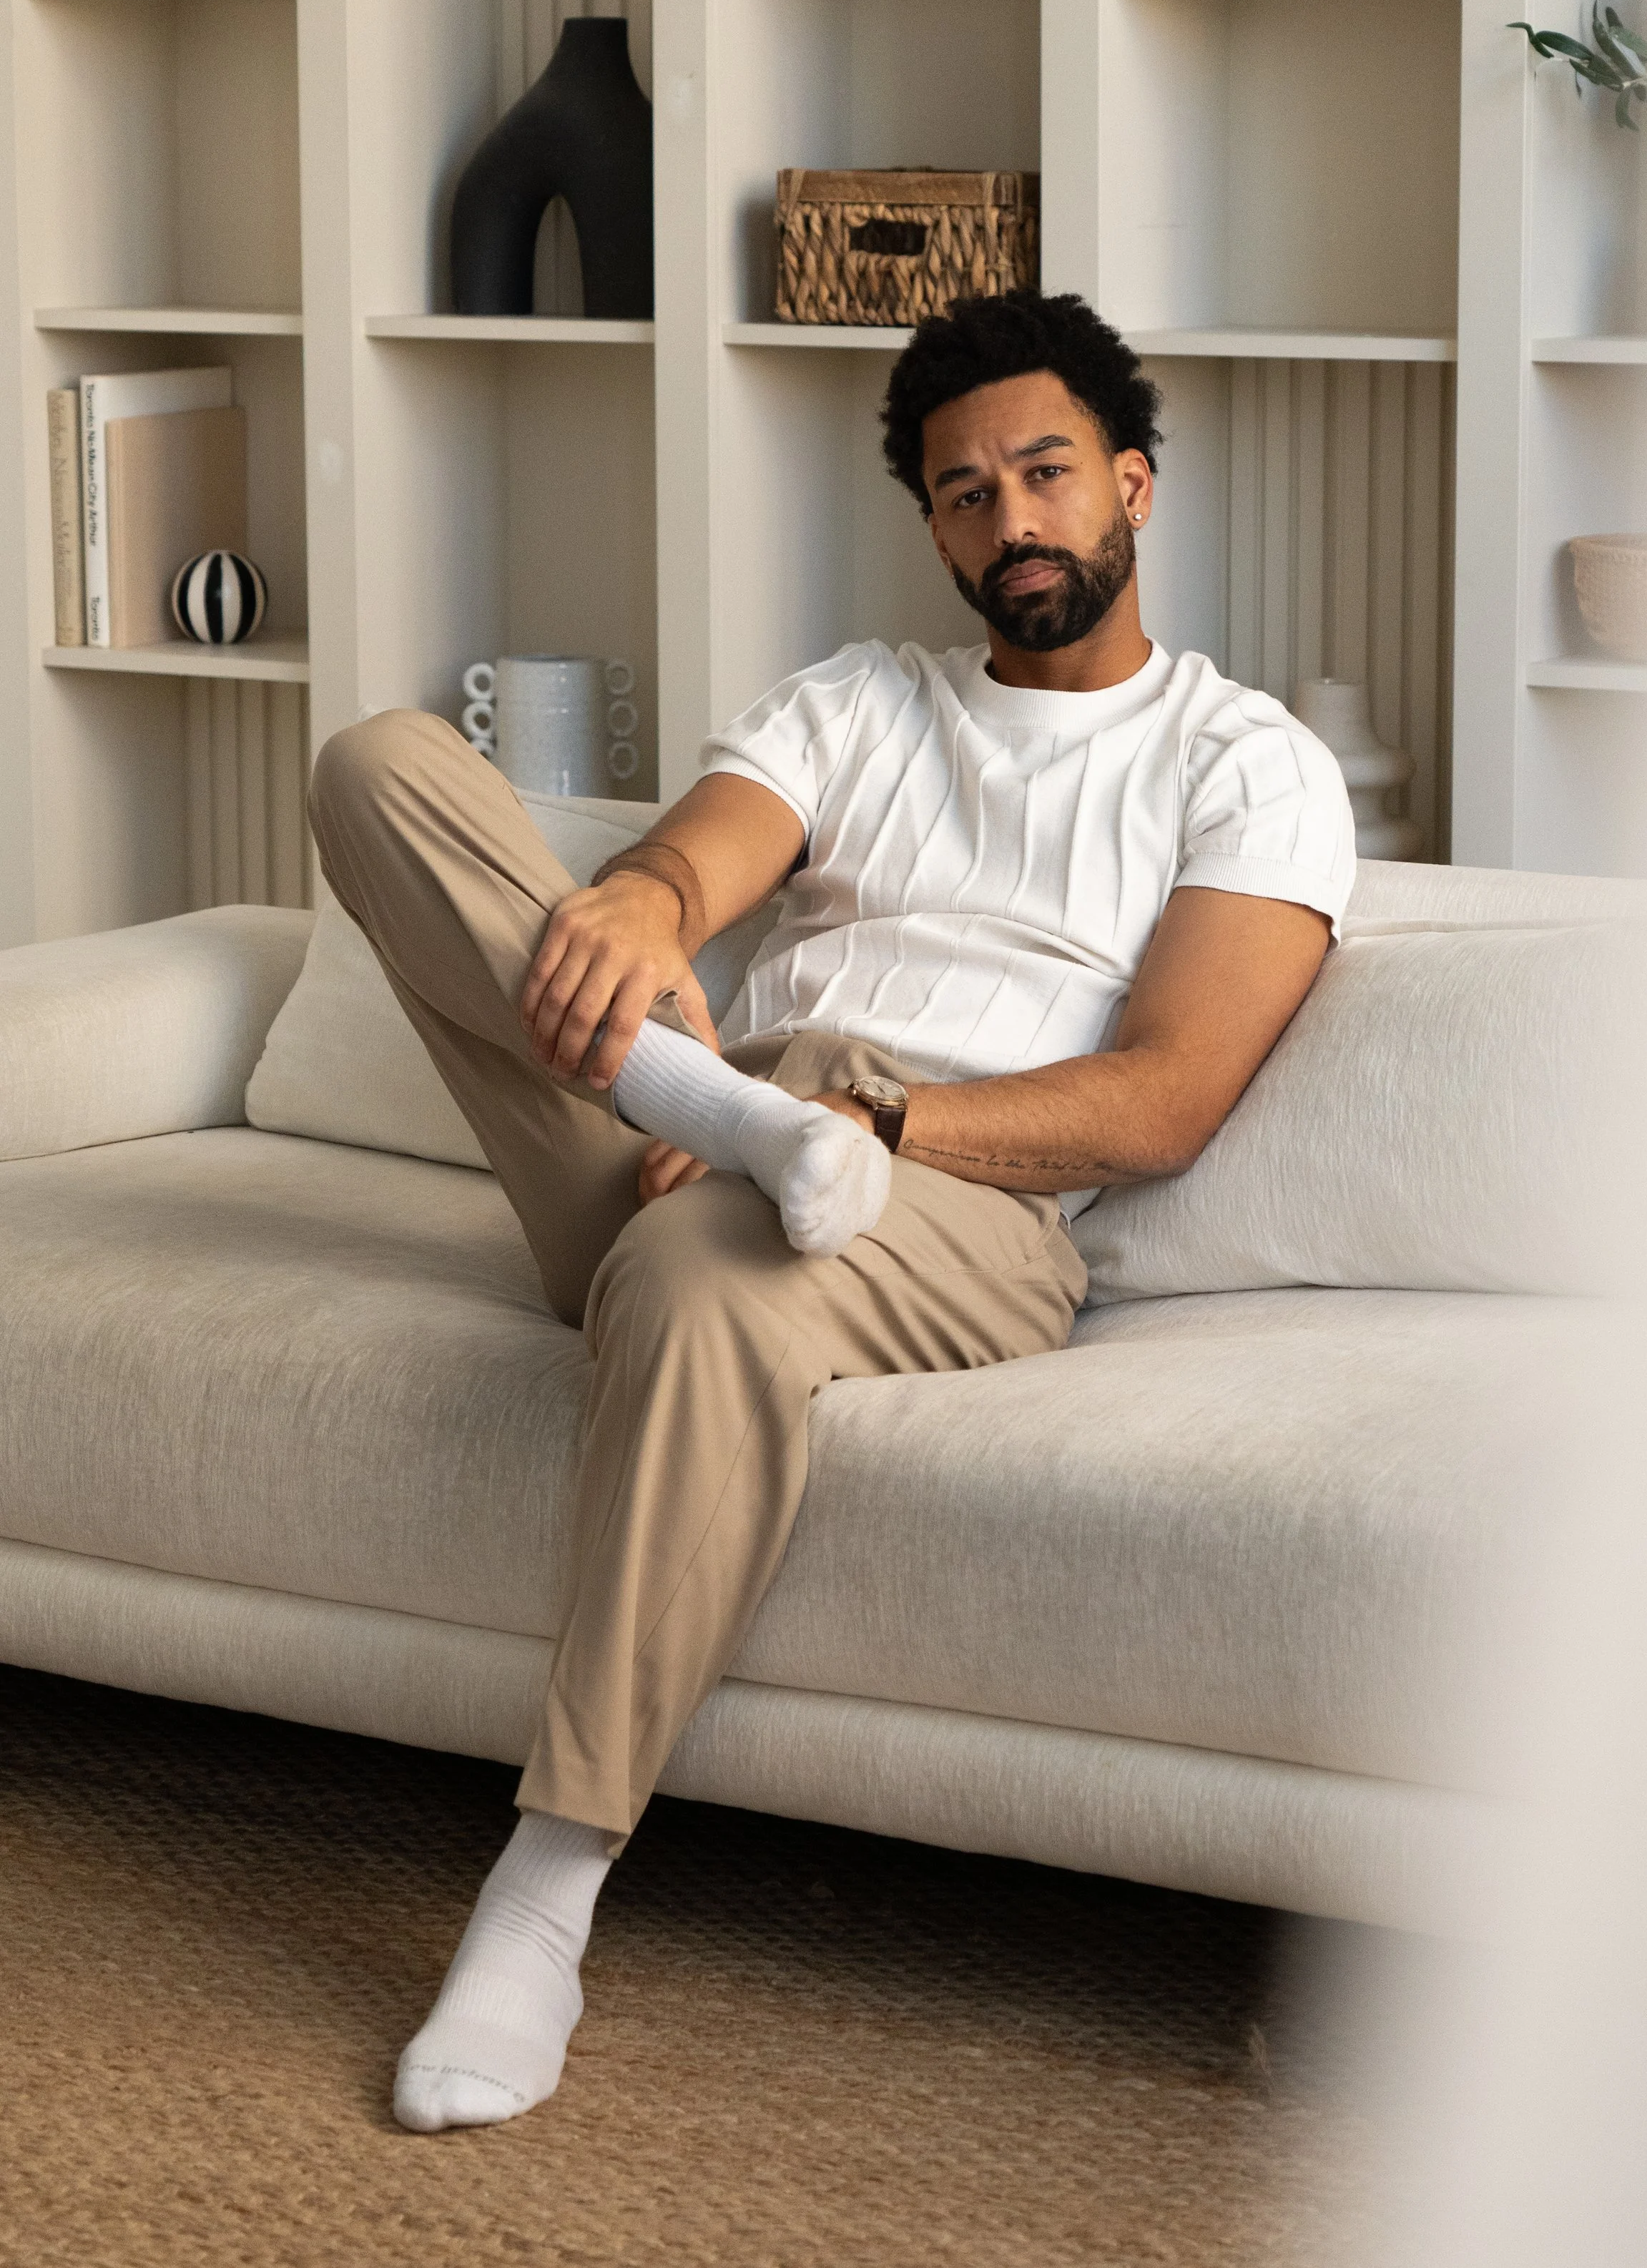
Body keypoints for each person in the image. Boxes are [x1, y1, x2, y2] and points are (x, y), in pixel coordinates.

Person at [308, 288, 1356, 2134]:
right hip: (689, 1127)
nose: (1007, 520)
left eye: (1042, 473)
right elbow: (698, 854)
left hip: (959, 1198)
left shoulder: (1240, 759)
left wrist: (859, 1115)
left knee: (725, 1276)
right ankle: (714, 1110)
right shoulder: (864, 700)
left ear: (1131, 484)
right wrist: (635, 910)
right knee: (375, 766)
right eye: (961, 494)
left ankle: (542, 1899)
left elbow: (1169, 1097)